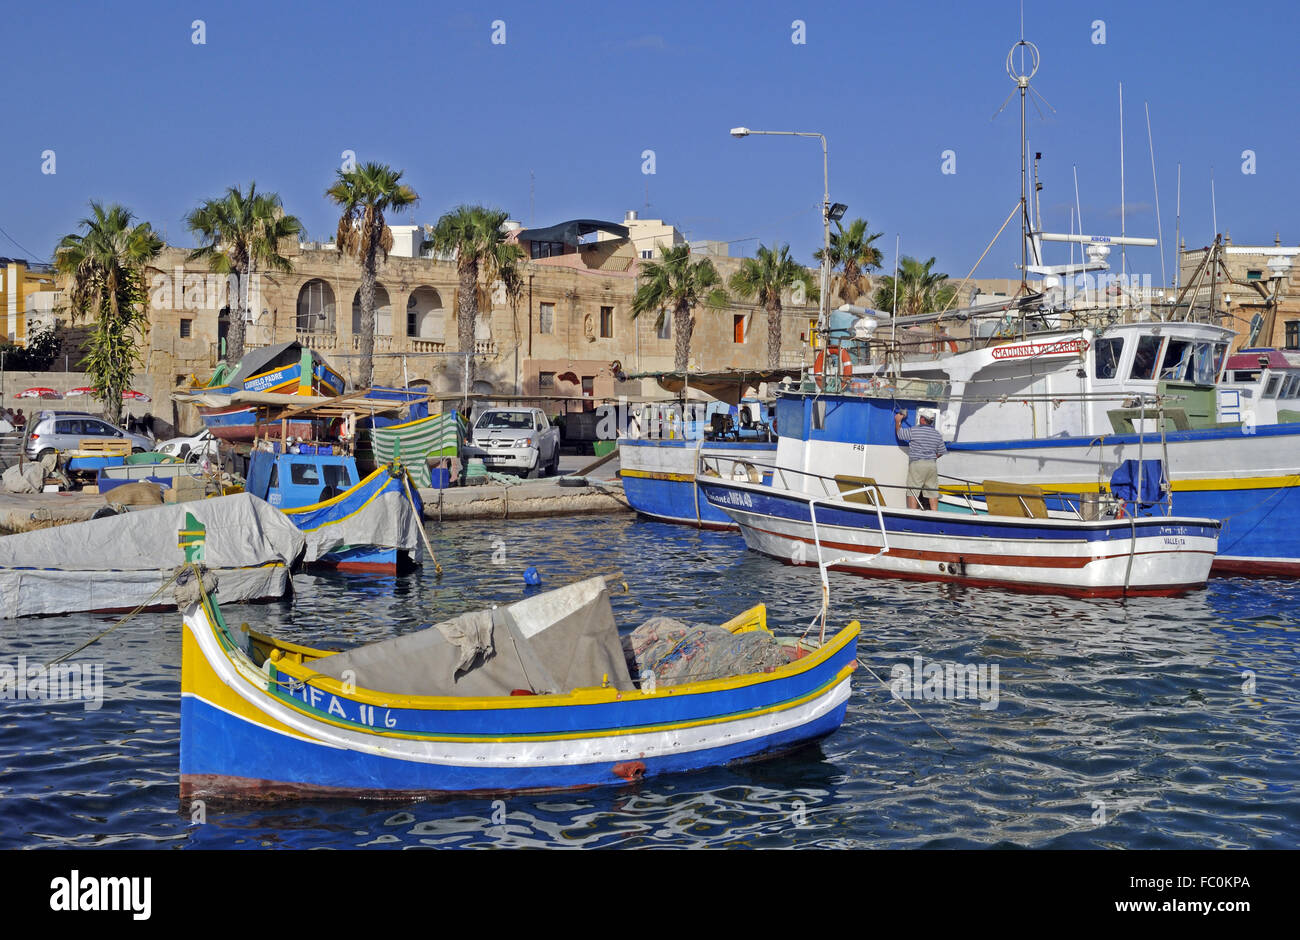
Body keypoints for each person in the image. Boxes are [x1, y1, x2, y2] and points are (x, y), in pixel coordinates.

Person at [895, 408, 946, 510]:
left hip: (917, 464)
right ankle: (935, 514)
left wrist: (898, 421)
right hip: (931, 465)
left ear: (922, 419)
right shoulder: (937, 434)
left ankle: (913, 513)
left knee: (913, 490)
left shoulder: (915, 430)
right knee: (932, 492)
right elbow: (941, 451)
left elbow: (900, 434)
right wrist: (931, 458)